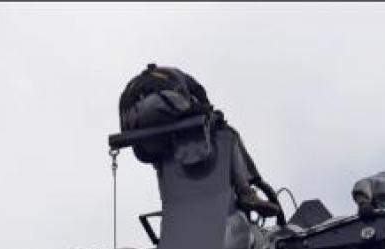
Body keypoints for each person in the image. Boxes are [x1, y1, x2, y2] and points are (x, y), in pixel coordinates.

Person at [119, 63, 283, 220]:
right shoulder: (177, 75)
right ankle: (246, 191)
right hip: (159, 104)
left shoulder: (134, 85)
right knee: (226, 131)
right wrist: (209, 113)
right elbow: (200, 94)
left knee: (166, 160)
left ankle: (172, 208)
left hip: (132, 127)